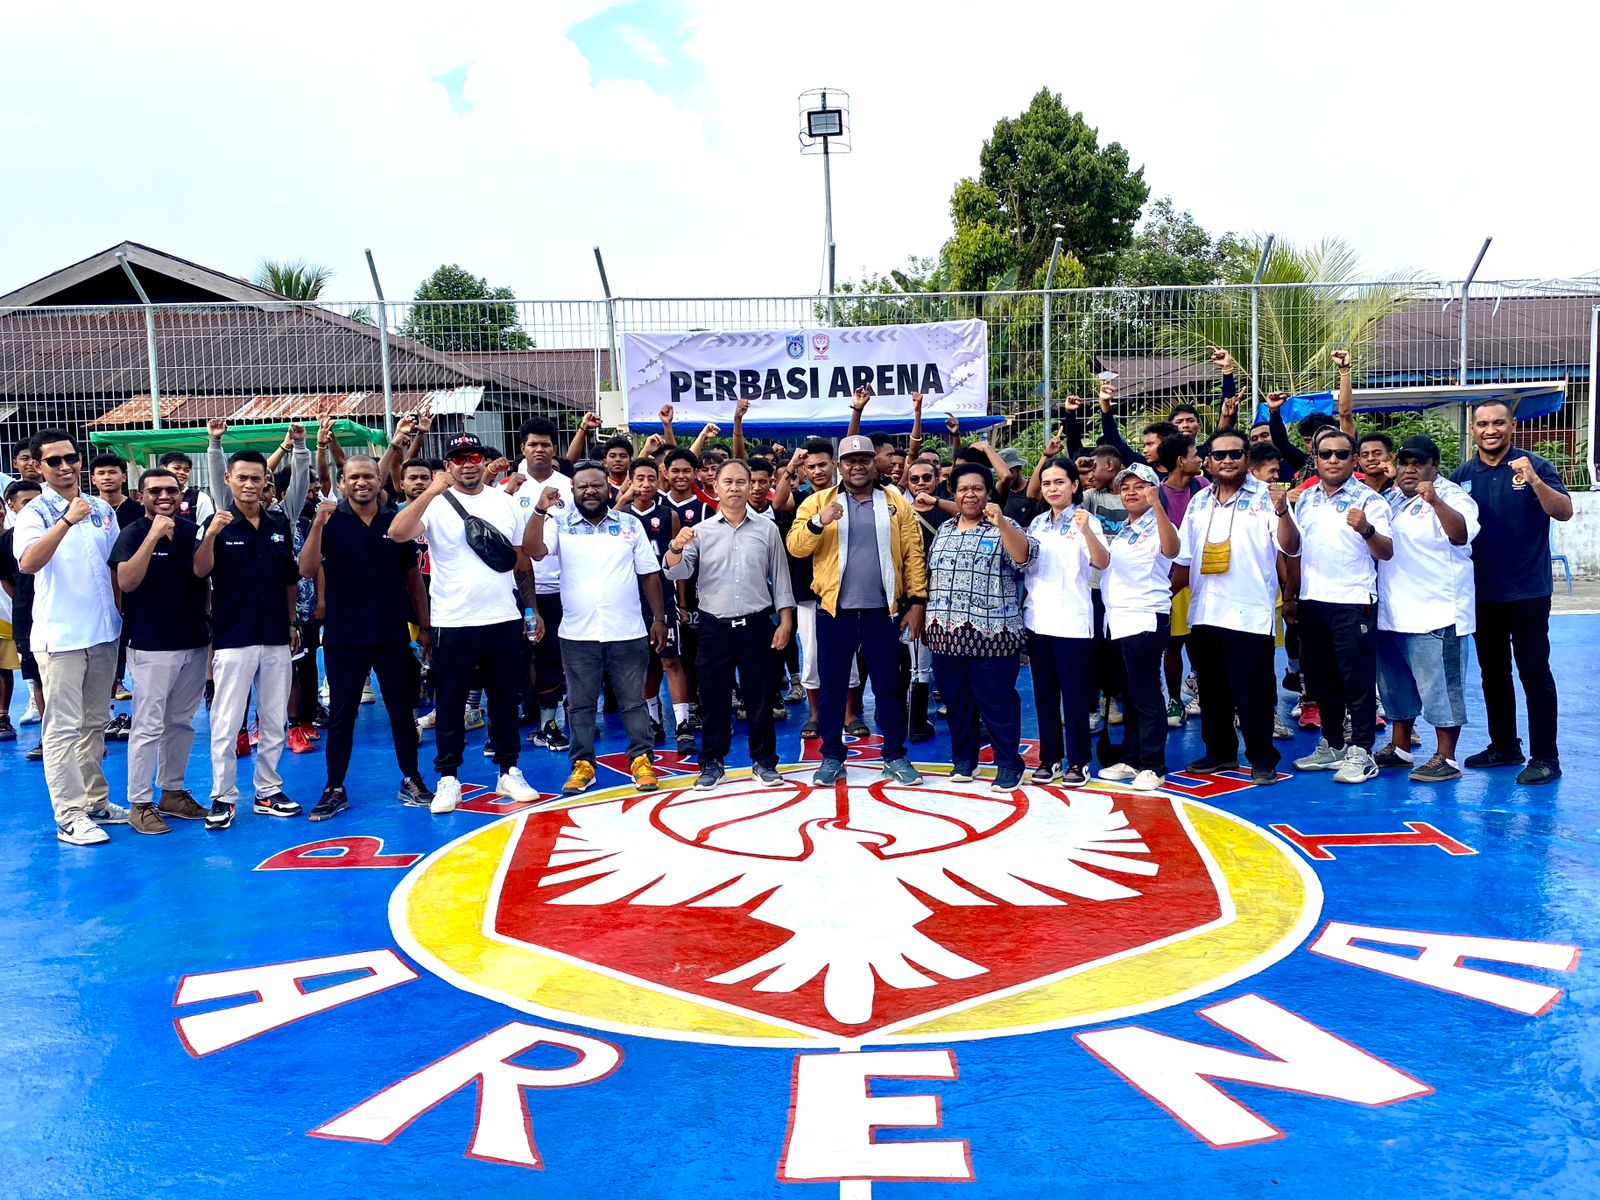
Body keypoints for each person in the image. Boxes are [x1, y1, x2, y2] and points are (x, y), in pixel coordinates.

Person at [389, 434, 541, 814]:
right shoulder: (434, 504)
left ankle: (508, 771)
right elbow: (397, 533)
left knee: (505, 701)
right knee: (451, 703)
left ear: (482, 460)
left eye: (474, 456)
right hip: (452, 622)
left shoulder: (504, 503)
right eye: (459, 459)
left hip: (503, 618)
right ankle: (448, 779)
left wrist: (530, 609)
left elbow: (521, 561)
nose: (468, 463)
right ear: (449, 466)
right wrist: (431, 492)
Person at [788, 435, 928, 788]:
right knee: (833, 687)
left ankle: (895, 756)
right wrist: (819, 522)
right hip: (835, 613)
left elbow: (913, 554)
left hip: (884, 612)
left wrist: (917, 602)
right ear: (840, 466)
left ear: (873, 463)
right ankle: (832, 757)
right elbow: (796, 547)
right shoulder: (818, 502)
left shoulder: (896, 504)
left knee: (888, 687)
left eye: (864, 459)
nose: (858, 466)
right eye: (850, 461)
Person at [299, 454, 434, 820]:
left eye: (369, 476)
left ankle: (412, 778)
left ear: (379, 481)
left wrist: (424, 625)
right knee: (343, 714)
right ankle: (334, 787)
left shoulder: (396, 524)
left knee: (401, 712)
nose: (362, 482)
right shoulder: (330, 522)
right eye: (354, 477)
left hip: (391, 631)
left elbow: (412, 579)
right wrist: (316, 526)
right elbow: (307, 569)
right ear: (342, 483)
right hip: (345, 633)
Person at [1451, 400, 1572, 784]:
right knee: (1493, 673)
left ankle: (1546, 757)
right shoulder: (1461, 476)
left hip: (1528, 591)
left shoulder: (1535, 465)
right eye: (1483, 423)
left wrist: (1534, 481)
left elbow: (1564, 511)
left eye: (1499, 423)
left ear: (1512, 425)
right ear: (1472, 429)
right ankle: (1504, 744)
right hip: (1482, 594)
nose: (1491, 430)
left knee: (1534, 672)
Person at [527, 462, 667, 796]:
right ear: (573, 489)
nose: (590, 491)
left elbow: (648, 574)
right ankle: (583, 764)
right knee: (580, 704)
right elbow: (533, 550)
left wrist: (659, 619)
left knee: (634, 701)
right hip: (577, 634)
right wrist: (538, 510)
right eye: (583, 486)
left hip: (628, 631)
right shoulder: (558, 524)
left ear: (610, 488)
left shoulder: (630, 525)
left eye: (597, 485)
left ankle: (641, 760)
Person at [14, 430, 126, 844]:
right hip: (60, 636)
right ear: (39, 467)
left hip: (103, 632)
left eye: (70, 458)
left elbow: (116, 563)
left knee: (95, 721)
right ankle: (69, 815)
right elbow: (28, 562)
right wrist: (65, 520)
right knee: (61, 728)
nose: (65, 467)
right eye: (54, 461)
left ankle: (96, 801)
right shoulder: (35, 513)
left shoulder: (101, 508)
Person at [1172, 427, 1296, 787]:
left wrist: (1283, 511)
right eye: (1219, 455)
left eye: (1235, 454)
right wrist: (1162, 601)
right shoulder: (1199, 501)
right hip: (1205, 611)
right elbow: (1183, 558)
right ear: (1208, 462)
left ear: (1247, 459)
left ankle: (1262, 758)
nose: (1227, 460)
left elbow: (1290, 546)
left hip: (1249, 612)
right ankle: (1220, 752)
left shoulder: (1267, 498)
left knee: (1252, 692)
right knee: (1211, 691)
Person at [665, 459, 796, 790]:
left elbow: (780, 578)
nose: (735, 488)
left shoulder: (767, 529)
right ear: (715, 486)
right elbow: (677, 573)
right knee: (713, 699)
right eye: (728, 482)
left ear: (752, 484)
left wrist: (785, 622)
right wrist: (675, 548)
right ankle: (711, 763)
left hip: (757, 625)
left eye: (742, 481)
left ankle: (764, 762)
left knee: (761, 697)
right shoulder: (700, 532)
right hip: (714, 628)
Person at [192, 450, 302, 829]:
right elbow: (200, 569)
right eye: (243, 478)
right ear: (228, 481)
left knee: (273, 718)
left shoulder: (278, 524)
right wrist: (210, 535)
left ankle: (268, 790)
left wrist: (291, 623)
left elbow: (290, 577)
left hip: (274, 634)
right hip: (234, 636)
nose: (250, 485)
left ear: (265, 484)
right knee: (226, 721)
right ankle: (223, 796)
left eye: (257, 479)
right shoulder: (216, 524)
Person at [109, 467, 213, 833]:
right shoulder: (133, 533)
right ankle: (140, 801)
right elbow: (127, 581)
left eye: (171, 489)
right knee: (148, 725)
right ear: (141, 497)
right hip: (152, 644)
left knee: (181, 723)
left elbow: (205, 577)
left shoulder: (190, 532)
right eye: (155, 491)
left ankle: (173, 791)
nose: (164, 496)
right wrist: (152, 537)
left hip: (193, 639)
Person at [1290, 428, 1394, 784]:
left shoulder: (1371, 501)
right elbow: (1293, 550)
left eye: (1341, 454)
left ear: (1354, 460)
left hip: (1352, 601)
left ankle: (1362, 752)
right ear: (1315, 459)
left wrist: (1367, 530)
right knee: (1322, 679)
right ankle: (1332, 744)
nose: (1333, 459)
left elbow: (1386, 551)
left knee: (1358, 680)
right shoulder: (1305, 500)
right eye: (1326, 454)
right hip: (1312, 601)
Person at [922, 462, 1035, 790]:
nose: (969, 494)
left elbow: (1023, 558)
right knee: (956, 701)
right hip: (945, 634)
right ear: (953, 493)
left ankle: (1008, 763)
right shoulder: (945, 529)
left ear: (988, 492)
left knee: (996, 701)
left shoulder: (1005, 525)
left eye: (977, 488)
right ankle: (964, 759)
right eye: (962, 489)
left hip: (993, 634)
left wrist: (1001, 524)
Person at [1373, 436, 1479, 783]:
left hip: (1436, 612)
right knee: (1396, 686)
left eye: (1419, 462)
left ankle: (1446, 757)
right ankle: (1400, 746)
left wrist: (1434, 500)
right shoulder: (1390, 498)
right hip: (1392, 613)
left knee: (1441, 689)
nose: (1410, 468)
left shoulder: (1453, 496)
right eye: (1404, 462)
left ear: (1435, 466)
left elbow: (1461, 534)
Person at [1023, 458, 1107, 786]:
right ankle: (1050, 759)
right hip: (1038, 620)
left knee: (1074, 696)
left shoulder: (1088, 521)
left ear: (1074, 485)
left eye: (1059, 482)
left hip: (1072, 622)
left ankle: (1079, 761)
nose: (1053, 489)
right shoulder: (1038, 524)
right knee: (1044, 693)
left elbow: (1102, 561)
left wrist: (1086, 531)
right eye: (1047, 483)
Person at [1097, 464, 1180, 791]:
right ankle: (1131, 757)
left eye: (1140, 486)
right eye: (1126, 487)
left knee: (1145, 693)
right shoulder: (1125, 529)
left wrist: (1158, 504)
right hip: (1118, 620)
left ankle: (1153, 763)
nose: (1131, 492)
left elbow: (1172, 550)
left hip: (1145, 617)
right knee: (1128, 694)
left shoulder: (1160, 523)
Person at [506, 418, 573, 751]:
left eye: (546, 444)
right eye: (533, 444)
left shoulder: (569, 487)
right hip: (515, 591)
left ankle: (549, 723)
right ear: (523, 448)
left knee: (551, 657)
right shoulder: (509, 487)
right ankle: (505, 725)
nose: (540, 449)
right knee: (514, 658)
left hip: (560, 589)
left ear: (554, 449)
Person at [616, 457, 693, 749]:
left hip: (663, 597)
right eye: (639, 479)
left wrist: (682, 604)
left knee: (671, 660)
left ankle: (683, 723)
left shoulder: (667, 514)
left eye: (651, 478)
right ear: (630, 481)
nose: (645, 485)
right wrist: (622, 501)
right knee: (645, 663)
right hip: (629, 600)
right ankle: (653, 720)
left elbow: (677, 561)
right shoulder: (618, 513)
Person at [1156, 433, 1209, 727]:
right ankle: (1175, 700)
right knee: (1174, 643)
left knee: (1201, 643)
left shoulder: (1203, 487)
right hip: (1172, 577)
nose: (1199, 458)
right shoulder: (1158, 495)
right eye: (1194, 453)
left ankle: (1203, 691)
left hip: (1201, 575)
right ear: (1180, 461)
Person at [902, 458, 949, 741]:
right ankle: (920, 721)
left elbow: (975, 511)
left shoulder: (951, 512)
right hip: (917, 598)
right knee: (918, 664)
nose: (920, 483)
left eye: (926, 478)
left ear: (937, 480)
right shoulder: (903, 514)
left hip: (948, 599)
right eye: (914, 479)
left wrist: (936, 501)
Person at [0, 479, 44, 734]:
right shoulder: (7, 541)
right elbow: (7, 580)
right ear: (12, 507)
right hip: (27, 618)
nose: (34, 507)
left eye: (38, 501)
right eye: (27, 503)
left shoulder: (63, 531)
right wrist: (25, 601)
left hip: (65, 618)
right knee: (38, 677)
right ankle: (48, 739)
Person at [158, 450, 216, 524]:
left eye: (186, 470)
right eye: (176, 468)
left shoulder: (200, 498)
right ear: (163, 468)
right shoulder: (151, 496)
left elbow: (204, 530)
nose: (182, 472)